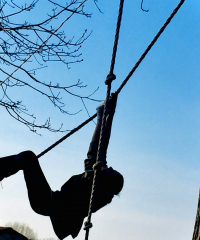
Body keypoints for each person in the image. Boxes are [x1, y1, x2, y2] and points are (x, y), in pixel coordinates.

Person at [0, 93, 124, 239]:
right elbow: (100, 144)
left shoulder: (96, 189)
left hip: (47, 202)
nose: (110, 167)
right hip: (49, 201)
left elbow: (98, 147)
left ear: (108, 181)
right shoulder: (96, 180)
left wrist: (105, 114)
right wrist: (107, 113)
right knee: (27, 158)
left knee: (28, 158)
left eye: (112, 171)